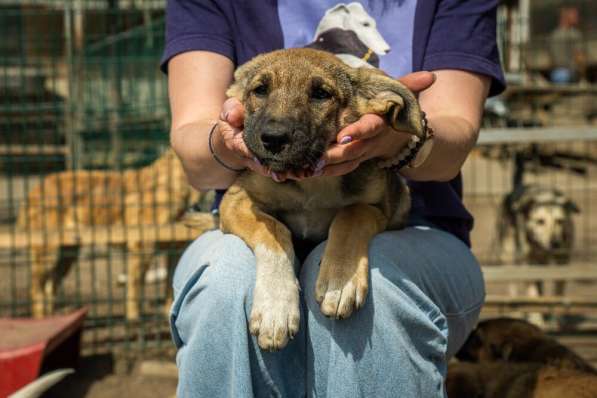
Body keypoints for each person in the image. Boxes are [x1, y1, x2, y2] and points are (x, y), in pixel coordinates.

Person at [161, 1, 505, 396]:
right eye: (260, 90)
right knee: (226, 284)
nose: (279, 121)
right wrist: (230, 144)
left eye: (320, 94)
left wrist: (398, 138)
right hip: (255, 224)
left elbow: (455, 134)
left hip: (418, 230)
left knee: (375, 290)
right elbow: (195, 145)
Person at [549, 6, 586, 84]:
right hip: (570, 74)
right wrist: (583, 74)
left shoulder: (553, 35)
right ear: (566, 17)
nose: (577, 18)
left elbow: (551, 59)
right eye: (574, 16)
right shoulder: (574, 34)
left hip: (555, 74)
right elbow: (579, 57)